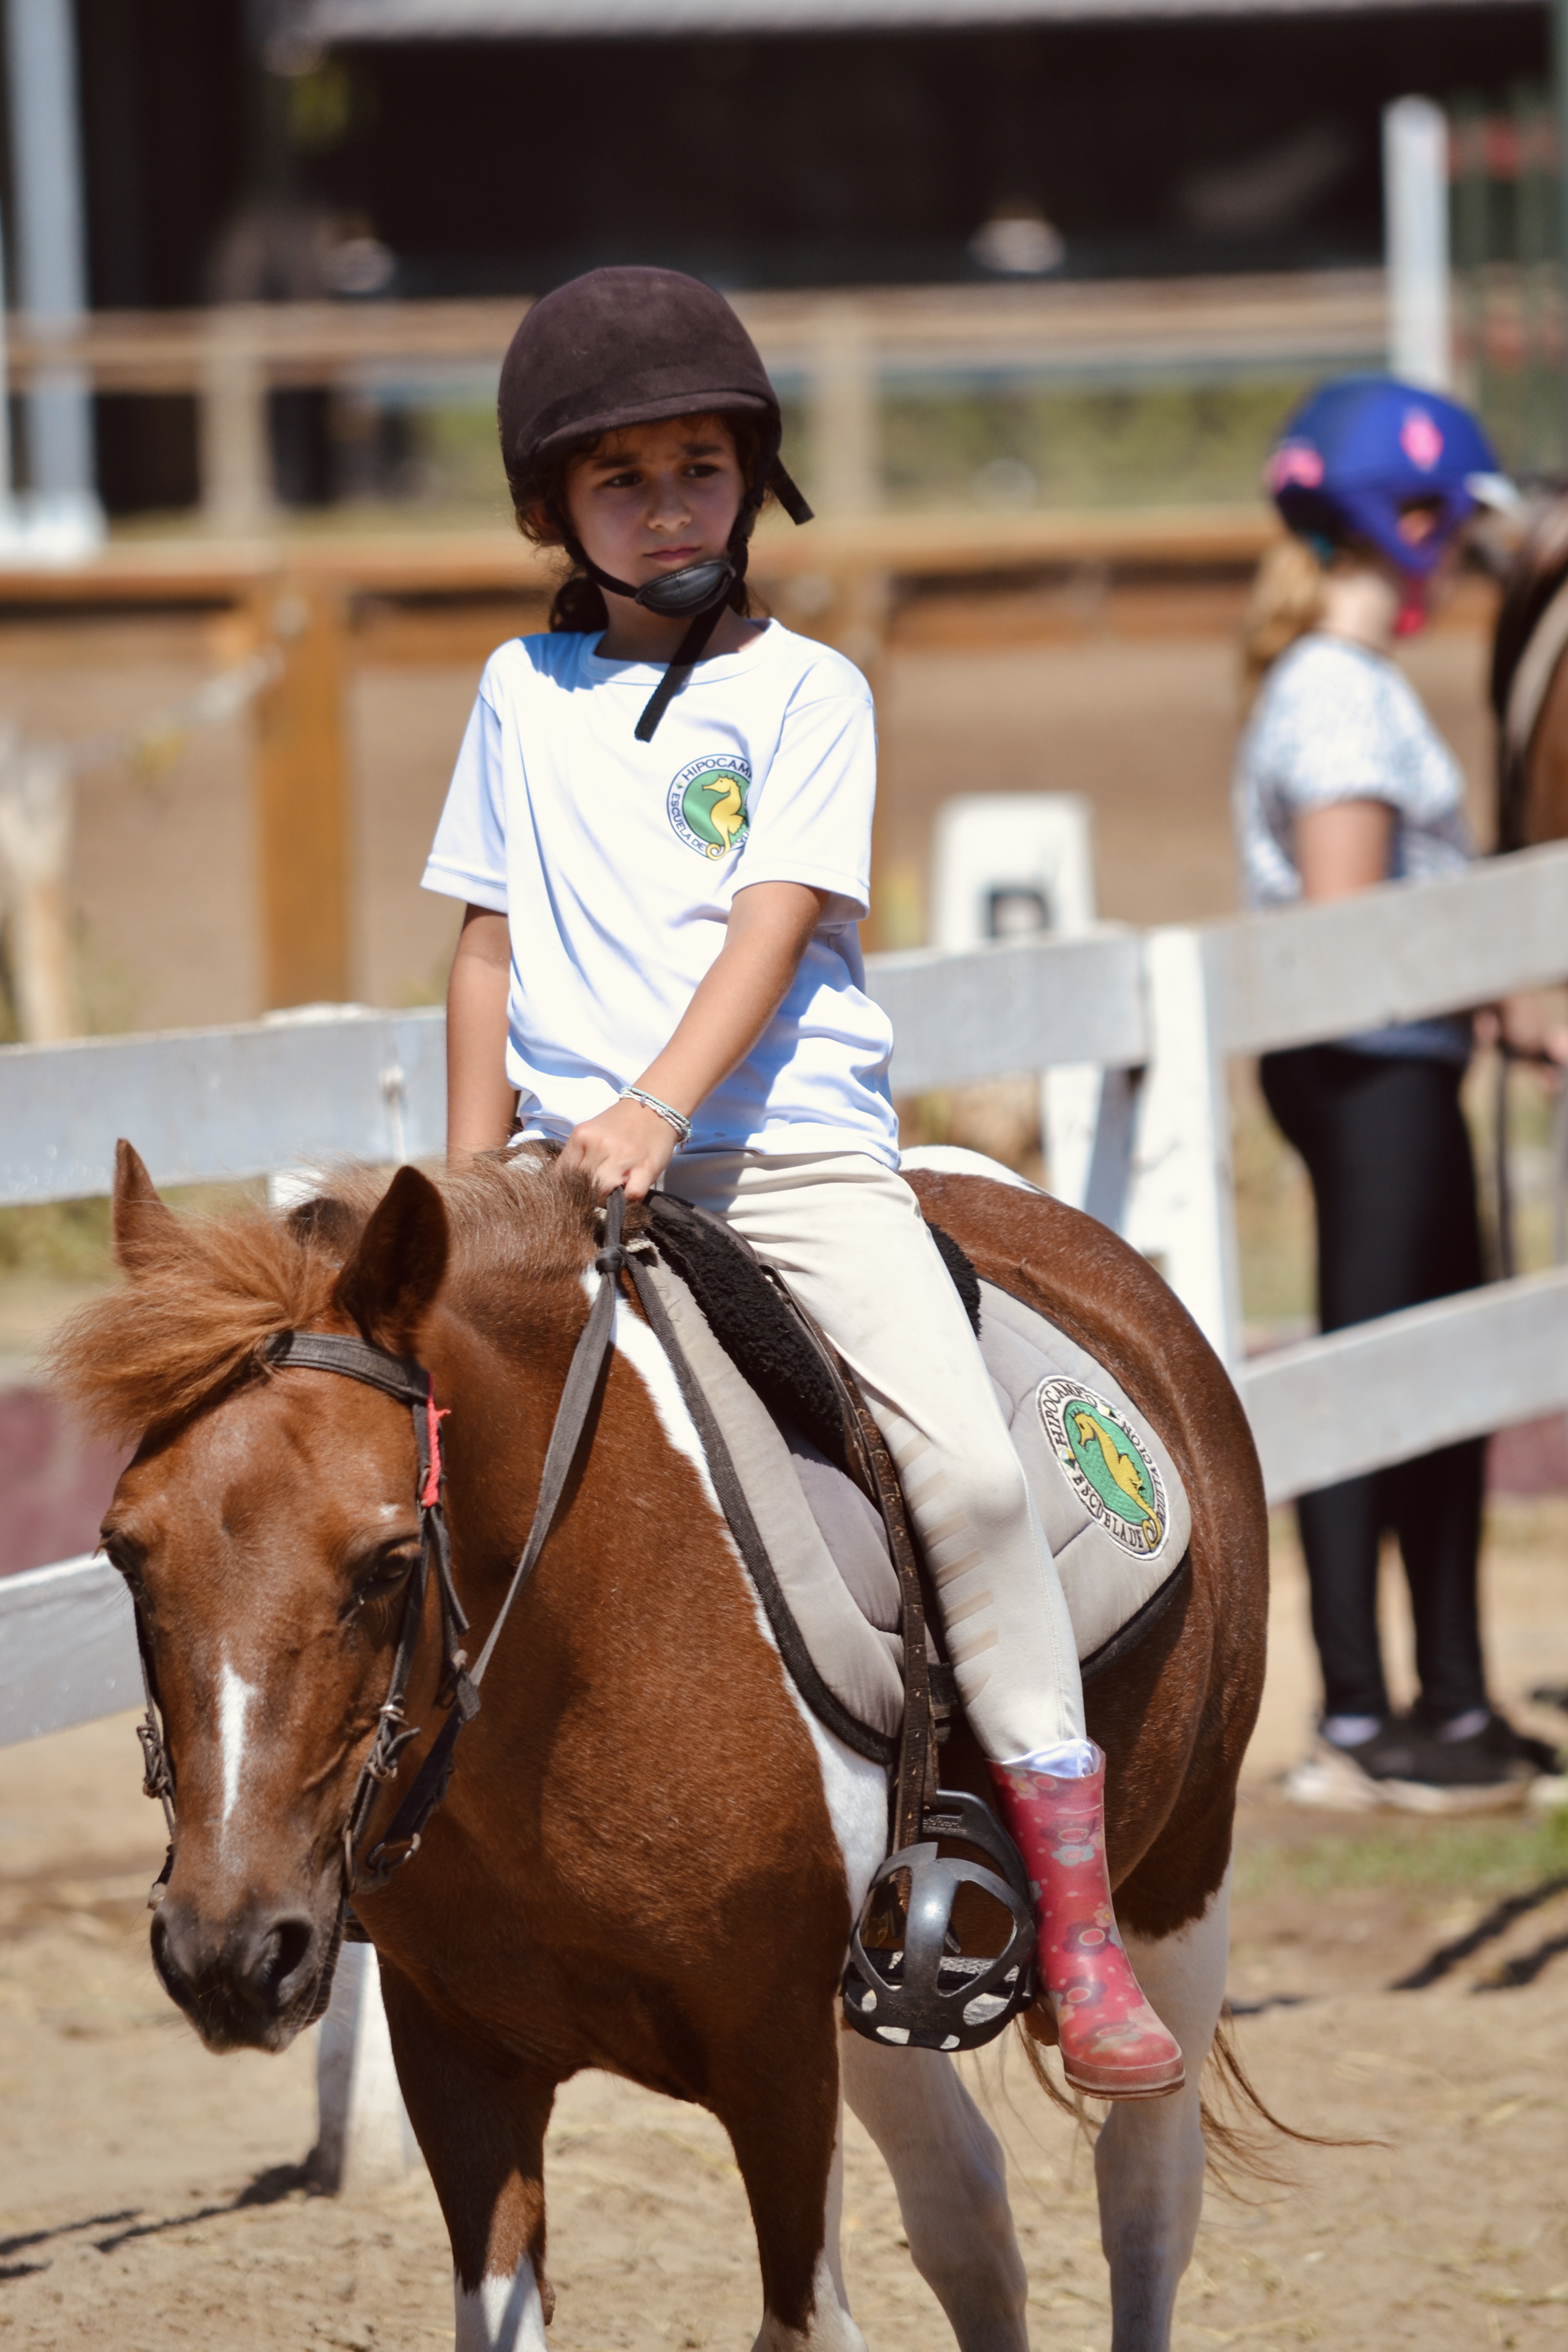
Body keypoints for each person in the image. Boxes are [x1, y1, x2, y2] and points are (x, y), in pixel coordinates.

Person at [421, 265, 1184, 2097]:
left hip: (782, 1159)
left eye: (700, 465)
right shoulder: (516, 693)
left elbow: (774, 919)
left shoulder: (805, 690)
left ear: (752, 480)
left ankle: (1074, 1926)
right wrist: (460, 1191)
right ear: (554, 513)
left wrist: (660, 1108)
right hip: (557, 1180)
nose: (671, 504)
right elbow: (485, 949)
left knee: (978, 1480)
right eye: (625, 480)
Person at [1237, 374, 1556, 1807]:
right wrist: (1489, 984)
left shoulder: (1344, 684)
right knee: (1376, 1382)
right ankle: (1362, 1717)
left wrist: (1500, 997)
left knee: (1437, 1388)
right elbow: (1350, 925)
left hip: (1404, 1058)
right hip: (1375, 1068)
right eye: (1453, 522)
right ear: (1408, 519)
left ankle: (1451, 1703)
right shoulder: (1339, 696)